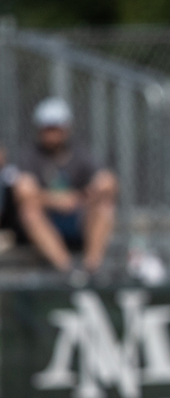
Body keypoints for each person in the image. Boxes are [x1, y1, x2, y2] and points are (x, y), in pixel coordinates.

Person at [11, 97, 118, 283]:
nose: (52, 133)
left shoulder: (80, 153)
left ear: (66, 128)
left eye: (56, 127)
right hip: (47, 220)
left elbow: (108, 182)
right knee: (29, 212)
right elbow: (22, 191)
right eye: (47, 127)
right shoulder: (29, 156)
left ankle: (92, 269)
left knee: (105, 207)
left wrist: (79, 198)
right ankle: (67, 271)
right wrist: (55, 200)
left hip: (77, 218)